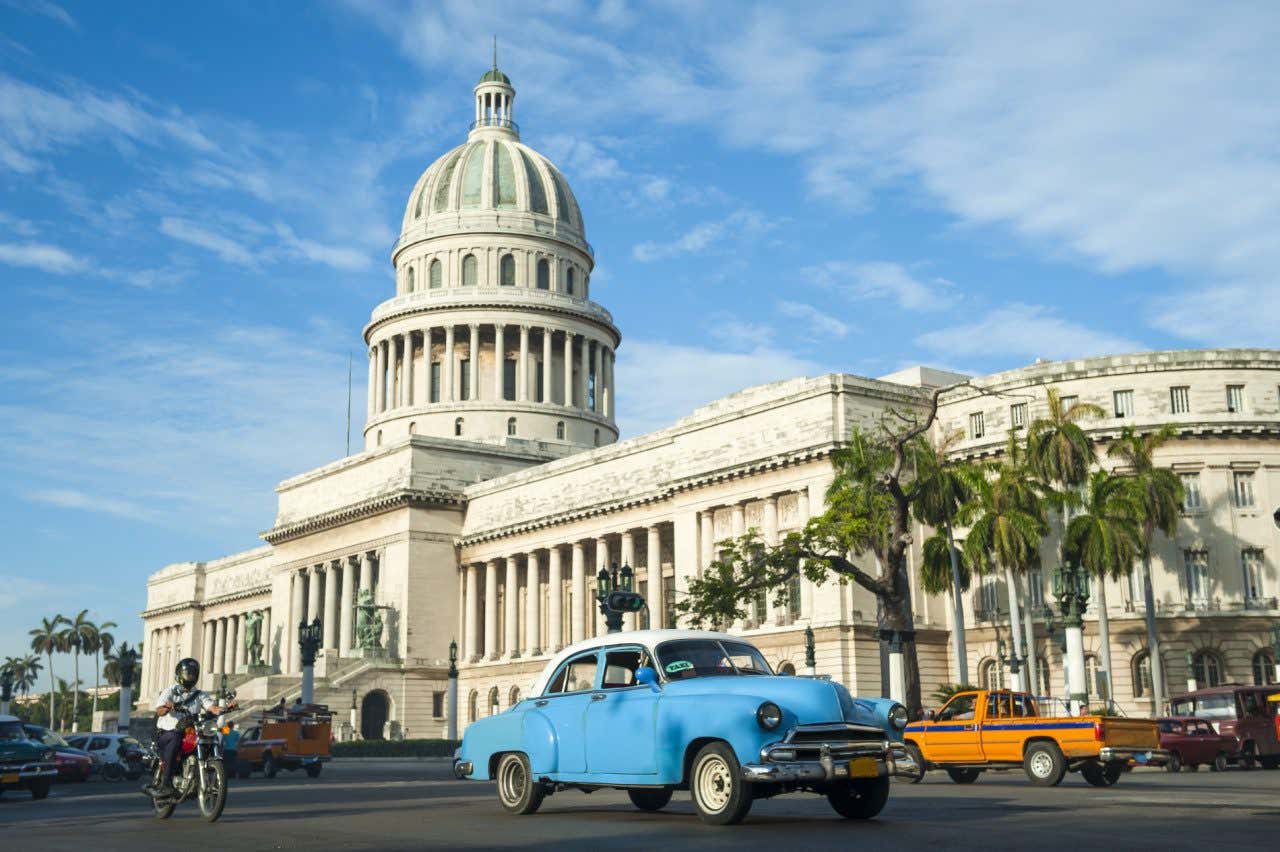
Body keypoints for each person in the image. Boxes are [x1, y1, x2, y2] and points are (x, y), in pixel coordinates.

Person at [145, 658, 235, 798]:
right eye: (188, 674)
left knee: (210, 739)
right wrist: (169, 707)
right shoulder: (171, 691)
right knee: (176, 739)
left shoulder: (199, 694)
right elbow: (159, 710)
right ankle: (166, 784)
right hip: (167, 732)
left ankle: (200, 778)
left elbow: (212, 707)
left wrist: (226, 708)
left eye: (193, 674)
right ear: (180, 674)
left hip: (190, 732)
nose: (191, 677)